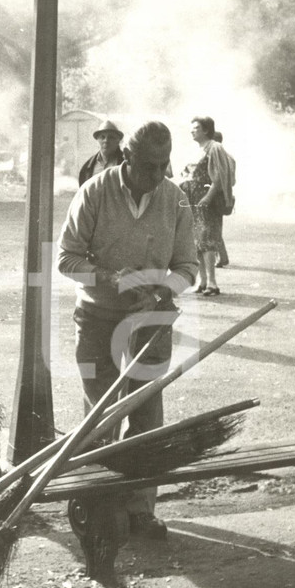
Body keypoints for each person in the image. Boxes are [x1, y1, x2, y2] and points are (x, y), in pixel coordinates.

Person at [58, 120, 198, 543]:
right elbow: (67, 259)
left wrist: (162, 289)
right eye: (148, 167)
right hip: (97, 316)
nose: (157, 176)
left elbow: (188, 266)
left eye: (164, 166)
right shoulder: (95, 192)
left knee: (146, 413)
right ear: (127, 158)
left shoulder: (175, 199)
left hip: (152, 319)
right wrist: (111, 279)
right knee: (99, 411)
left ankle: (140, 509)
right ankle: (99, 502)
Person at [182, 116, 234, 297]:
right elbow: (187, 173)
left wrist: (208, 197)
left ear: (206, 130)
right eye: (192, 127)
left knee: (208, 240)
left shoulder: (215, 148)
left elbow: (219, 176)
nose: (192, 130)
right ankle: (202, 281)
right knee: (197, 242)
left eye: (196, 127)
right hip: (192, 200)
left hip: (207, 202)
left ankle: (212, 283)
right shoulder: (196, 149)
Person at [78, 119, 125, 187]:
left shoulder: (126, 163)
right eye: (102, 137)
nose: (106, 140)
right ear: (97, 140)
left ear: (118, 141)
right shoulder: (87, 167)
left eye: (111, 137)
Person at [212, 131, 233, 267]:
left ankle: (222, 257)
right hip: (223, 195)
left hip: (214, 195)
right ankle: (220, 256)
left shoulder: (216, 156)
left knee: (213, 227)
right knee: (215, 226)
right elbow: (233, 180)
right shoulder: (229, 157)